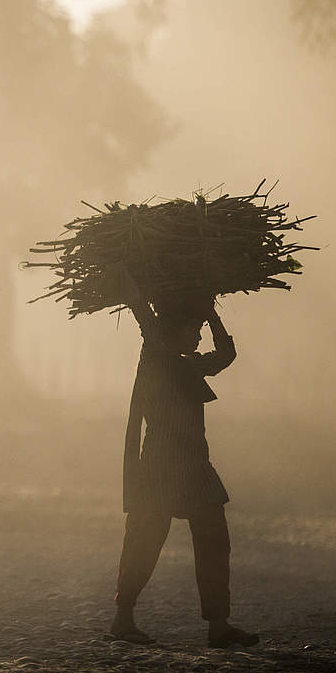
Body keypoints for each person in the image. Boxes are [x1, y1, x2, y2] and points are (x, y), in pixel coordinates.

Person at [109, 269, 259, 649]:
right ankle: (123, 619)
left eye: (199, 329)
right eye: (192, 329)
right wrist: (131, 286)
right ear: (173, 332)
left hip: (195, 465)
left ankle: (218, 625)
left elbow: (226, 353)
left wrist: (209, 313)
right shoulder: (158, 357)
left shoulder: (189, 365)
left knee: (213, 537)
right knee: (145, 539)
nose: (197, 336)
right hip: (162, 464)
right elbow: (148, 321)